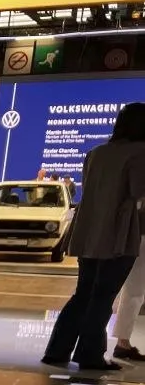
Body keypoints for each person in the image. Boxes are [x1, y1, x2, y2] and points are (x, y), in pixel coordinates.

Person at [43, 102, 145, 371]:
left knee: (83, 293)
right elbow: (139, 193)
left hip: (89, 232)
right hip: (120, 234)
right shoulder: (140, 153)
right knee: (103, 296)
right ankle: (90, 354)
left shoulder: (96, 153)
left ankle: (57, 350)